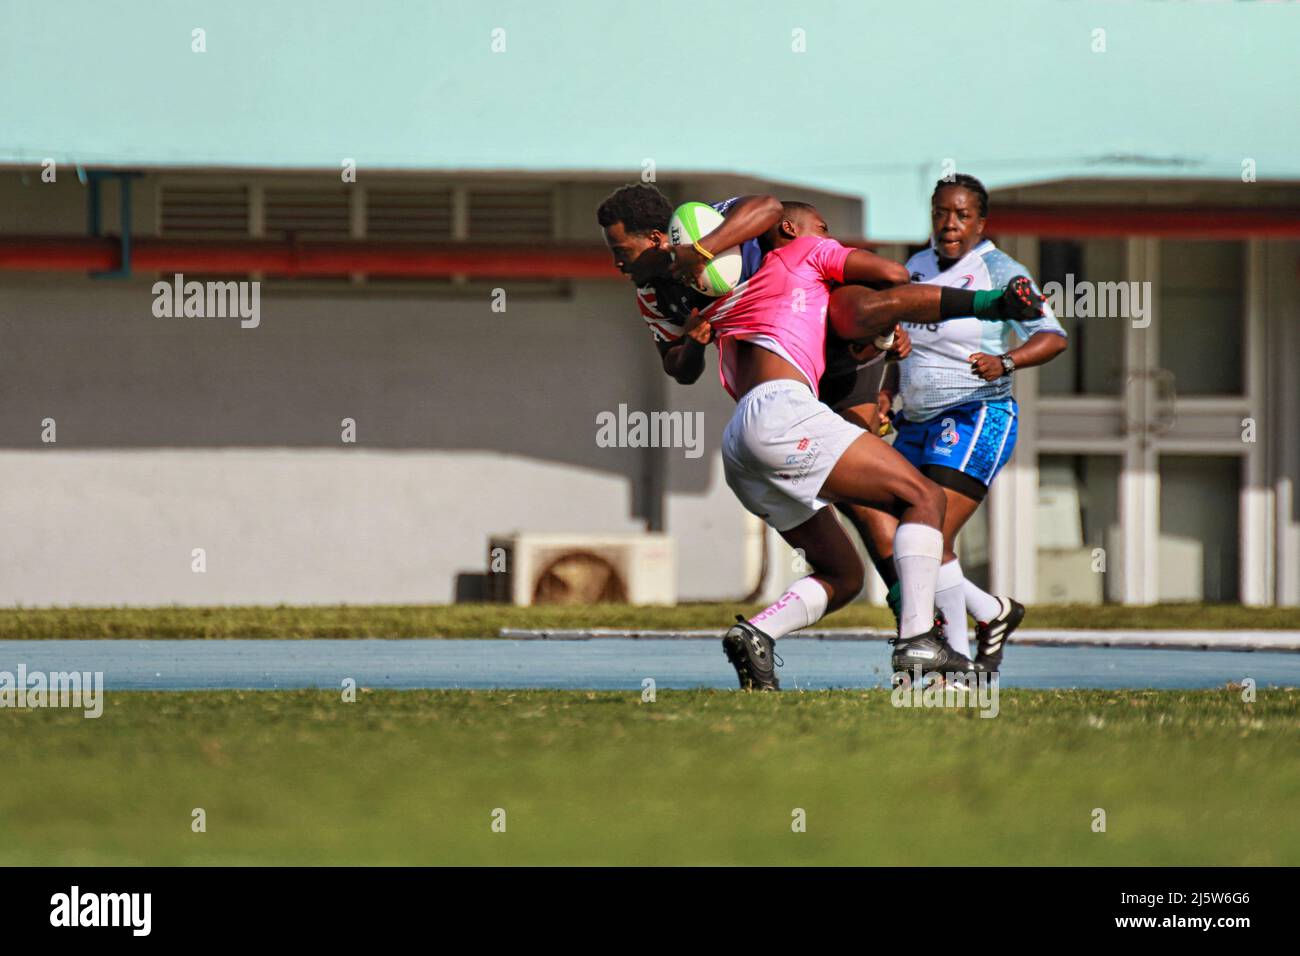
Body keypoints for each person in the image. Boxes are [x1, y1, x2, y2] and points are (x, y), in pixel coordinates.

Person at [691, 201, 1045, 690]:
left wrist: (883, 343)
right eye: (823, 228)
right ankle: (921, 640)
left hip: (741, 444)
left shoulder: (733, 292)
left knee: (844, 574)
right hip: (785, 411)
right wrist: (989, 304)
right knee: (922, 500)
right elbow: (893, 274)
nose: (830, 236)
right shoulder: (807, 254)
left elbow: (682, 359)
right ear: (791, 230)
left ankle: (757, 632)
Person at [858, 174, 1069, 670]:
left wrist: (1008, 361)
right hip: (915, 420)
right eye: (940, 213)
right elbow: (901, 340)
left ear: (981, 222)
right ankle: (989, 612)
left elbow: (1053, 336)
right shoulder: (914, 266)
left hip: (976, 415)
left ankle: (949, 658)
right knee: (891, 531)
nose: (949, 225)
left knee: (928, 536)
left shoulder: (1000, 270)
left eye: (961, 215)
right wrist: (888, 388)